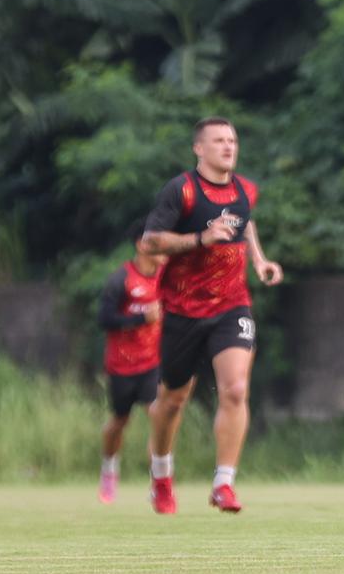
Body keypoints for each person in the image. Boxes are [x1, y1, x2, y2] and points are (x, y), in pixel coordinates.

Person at [142, 116, 283, 515]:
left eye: (233, 140)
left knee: (236, 388)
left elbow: (245, 220)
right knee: (172, 400)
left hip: (231, 305)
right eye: (219, 140)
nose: (228, 146)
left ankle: (224, 483)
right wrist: (199, 238)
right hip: (182, 309)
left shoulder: (244, 190)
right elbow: (150, 240)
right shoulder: (182, 190)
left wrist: (259, 260)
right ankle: (161, 475)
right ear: (199, 148)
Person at [97, 219, 168, 504]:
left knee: (158, 415)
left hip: (154, 362)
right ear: (141, 244)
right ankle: (109, 470)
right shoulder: (121, 280)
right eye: (158, 243)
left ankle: (159, 480)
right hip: (122, 365)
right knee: (119, 421)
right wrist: (141, 318)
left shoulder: (168, 278)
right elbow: (104, 319)